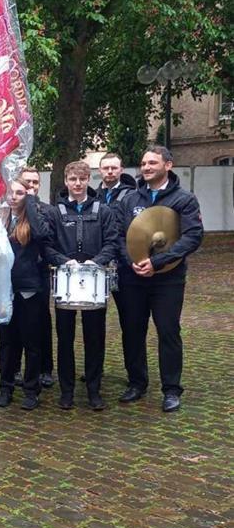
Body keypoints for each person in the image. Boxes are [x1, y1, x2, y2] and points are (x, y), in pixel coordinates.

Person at [116, 145, 203, 412]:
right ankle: (137, 382)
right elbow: (118, 236)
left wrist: (157, 262)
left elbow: (193, 236)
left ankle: (171, 389)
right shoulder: (130, 199)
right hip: (134, 278)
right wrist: (133, 262)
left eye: (152, 163)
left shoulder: (183, 199)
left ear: (168, 165)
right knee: (132, 331)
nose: (146, 167)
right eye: (143, 163)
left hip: (168, 280)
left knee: (168, 332)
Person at [46, 160, 119, 410]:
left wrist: (96, 262)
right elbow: (47, 245)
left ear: (89, 179)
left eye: (82, 179)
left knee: (95, 338)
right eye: (73, 179)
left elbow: (112, 241)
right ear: (66, 181)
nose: (77, 184)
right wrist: (64, 262)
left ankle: (94, 391)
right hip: (66, 280)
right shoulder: (56, 212)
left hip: (94, 280)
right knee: (65, 338)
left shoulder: (104, 210)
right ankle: (66, 391)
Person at [0, 180, 53, 410]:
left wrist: (30, 202)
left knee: (32, 341)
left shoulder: (35, 217)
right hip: (4, 289)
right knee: (7, 342)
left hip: (29, 289)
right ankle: (6, 387)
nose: (15, 197)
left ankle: (31, 389)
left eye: (20, 193)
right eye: (11, 192)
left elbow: (41, 236)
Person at [17, 166, 55, 388]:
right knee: (17, 324)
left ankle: (45, 368)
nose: (31, 186)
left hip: (38, 274)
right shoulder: (11, 210)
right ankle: (16, 369)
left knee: (41, 321)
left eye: (35, 183)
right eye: (26, 183)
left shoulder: (47, 210)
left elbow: (42, 235)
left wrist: (30, 202)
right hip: (17, 275)